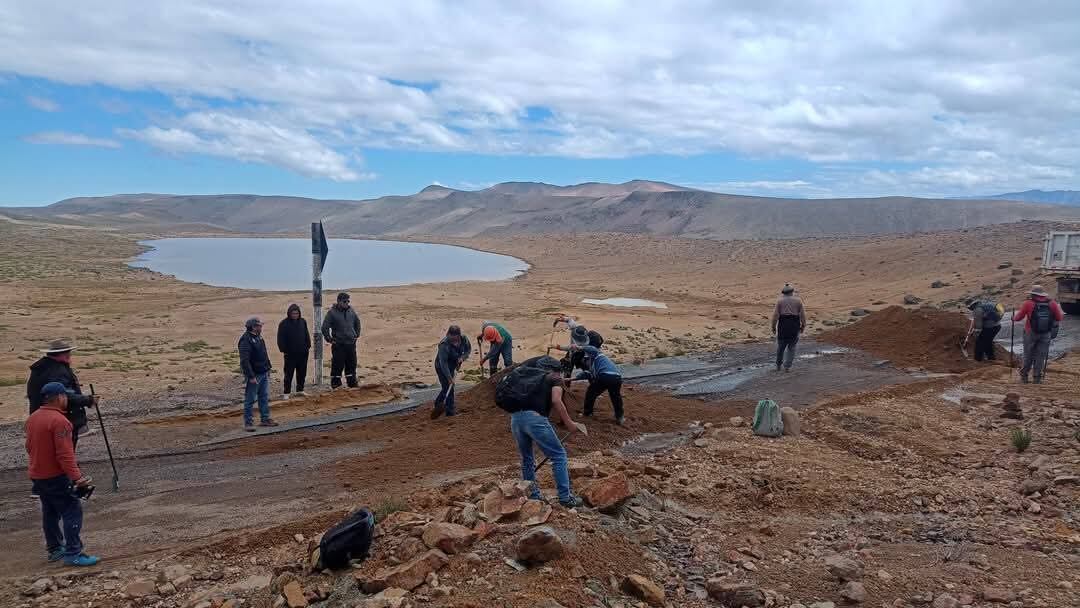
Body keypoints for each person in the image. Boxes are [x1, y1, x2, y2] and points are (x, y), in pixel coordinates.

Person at [26, 382, 100, 566]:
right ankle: (73, 553)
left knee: (49, 512)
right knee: (72, 510)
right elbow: (65, 455)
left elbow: (29, 447)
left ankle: (55, 549)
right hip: (56, 476)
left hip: (38, 475)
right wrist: (78, 478)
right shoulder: (60, 422)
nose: (67, 399)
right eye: (65, 396)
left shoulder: (33, 418)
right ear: (60, 397)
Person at [508, 369, 587, 507]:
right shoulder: (554, 377)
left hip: (515, 418)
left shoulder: (531, 378)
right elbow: (556, 400)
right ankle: (565, 497)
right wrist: (569, 423)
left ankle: (533, 495)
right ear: (557, 370)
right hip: (535, 419)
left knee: (527, 458)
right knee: (559, 455)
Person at [26, 340, 98, 450]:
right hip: (61, 417)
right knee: (64, 449)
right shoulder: (57, 370)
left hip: (41, 415)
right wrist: (88, 400)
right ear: (61, 355)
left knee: (50, 449)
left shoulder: (42, 367)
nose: (69, 355)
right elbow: (63, 396)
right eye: (67, 352)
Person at [1012, 285, 1064, 384]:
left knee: (1028, 354)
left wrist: (1013, 318)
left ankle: (1024, 375)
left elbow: (1018, 317)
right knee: (1040, 355)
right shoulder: (1052, 303)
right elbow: (1059, 318)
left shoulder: (1028, 303)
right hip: (1046, 333)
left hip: (1030, 332)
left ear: (1033, 294)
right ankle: (1037, 378)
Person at [238, 317, 277, 430]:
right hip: (255, 375)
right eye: (259, 325)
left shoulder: (258, 337)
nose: (261, 327)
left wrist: (268, 367)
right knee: (250, 399)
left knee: (264, 397)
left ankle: (265, 419)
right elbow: (244, 360)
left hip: (263, 372)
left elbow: (264, 353)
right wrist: (250, 376)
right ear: (254, 327)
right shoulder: (246, 340)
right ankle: (248, 423)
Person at [322, 292, 362, 389]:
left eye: (348, 301)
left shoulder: (351, 311)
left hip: (351, 343)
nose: (347, 303)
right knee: (337, 364)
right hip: (339, 344)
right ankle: (336, 384)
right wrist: (330, 339)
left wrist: (356, 335)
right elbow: (324, 327)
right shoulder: (332, 313)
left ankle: (352, 382)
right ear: (339, 301)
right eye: (344, 301)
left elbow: (357, 322)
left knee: (351, 364)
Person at [431, 325, 471, 419]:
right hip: (441, 367)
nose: (454, 341)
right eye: (451, 338)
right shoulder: (444, 345)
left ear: (459, 336)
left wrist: (462, 358)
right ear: (448, 334)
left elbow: (468, 350)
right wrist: (449, 378)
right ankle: (450, 412)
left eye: (455, 339)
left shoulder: (464, 339)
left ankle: (438, 403)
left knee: (447, 387)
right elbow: (443, 363)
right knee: (449, 387)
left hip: (453, 364)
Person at [276, 303, 312, 398]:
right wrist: (284, 350)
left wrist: (308, 345)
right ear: (289, 313)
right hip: (290, 354)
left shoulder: (303, 321)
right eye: (293, 313)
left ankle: (300, 390)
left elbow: (306, 334)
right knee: (288, 374)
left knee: (302, 373)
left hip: (303, 353)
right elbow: (280, 339)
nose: (295, 315)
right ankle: (286, 392)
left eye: (297, 313)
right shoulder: (283, 324)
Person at [770, 284, 806, 372]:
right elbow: (802, 315)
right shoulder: (798, 301)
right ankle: (787, 366)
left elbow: (775, 316)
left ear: (783, 293)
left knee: (781, 347)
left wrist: (773, 327)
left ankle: (778, 365)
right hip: (794, 325)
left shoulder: (780, 301)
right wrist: (803, 326)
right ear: (792, 292)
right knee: (792, 347)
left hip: (783, 325)